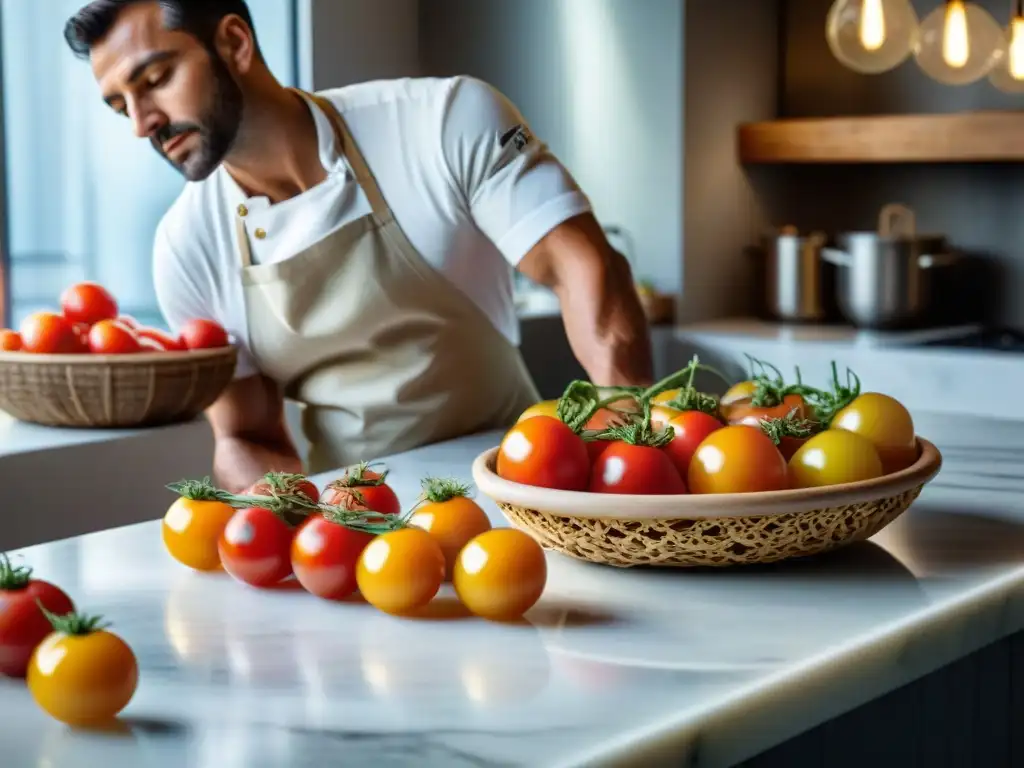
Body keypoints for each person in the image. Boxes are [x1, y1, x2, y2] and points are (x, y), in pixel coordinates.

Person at [64, 0, 654, 490]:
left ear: (235, 43)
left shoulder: (443, 118)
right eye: (121, 106)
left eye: (156, 79)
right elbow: (246, 435)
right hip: (357, 524)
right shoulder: (185, 246)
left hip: (523, 480)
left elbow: (586, 271)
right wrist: (302, 523)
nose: (142, 122)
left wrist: (625, 457)